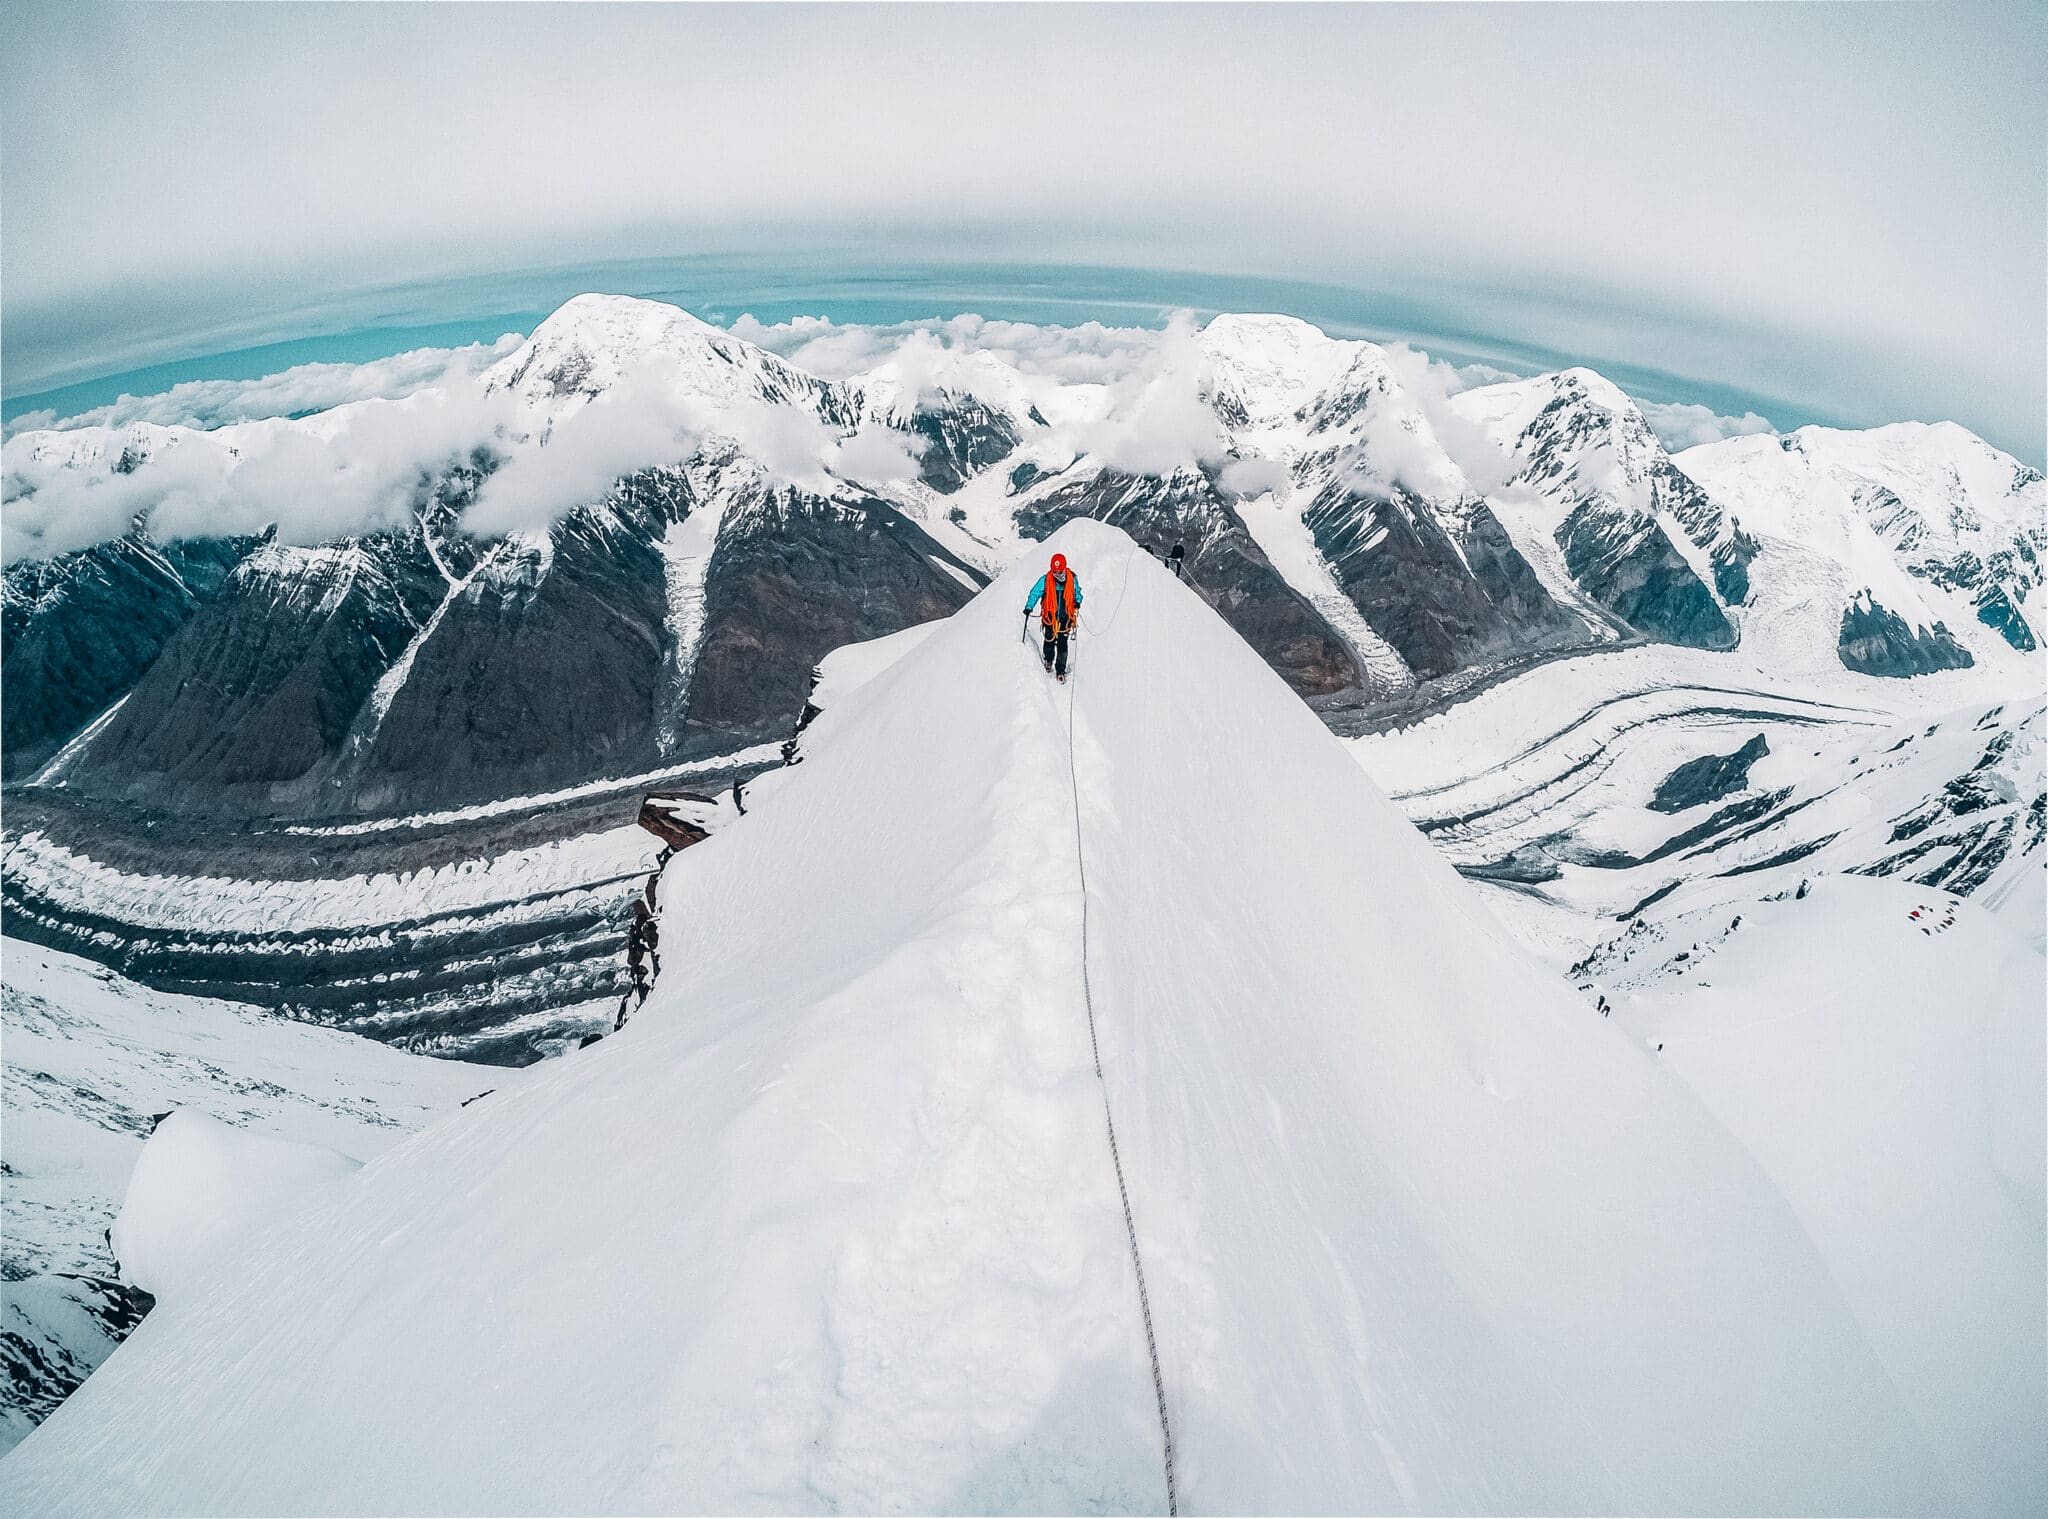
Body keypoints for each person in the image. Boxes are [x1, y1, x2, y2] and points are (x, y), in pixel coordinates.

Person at [1023, 551, 1084, 681]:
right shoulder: (1046, 580)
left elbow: (1077, 592)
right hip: (1050, 616)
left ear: (1064, 568)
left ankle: (1060, 669)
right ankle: (1049, 660)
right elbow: (1035, 593)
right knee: (1049, 640)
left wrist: (1077, 601)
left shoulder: (1072, 579)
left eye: (1060, 572)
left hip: (1065, 617)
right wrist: (1029, 607)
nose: (1057, 575)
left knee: (1062, 643)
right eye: (1055, 572)